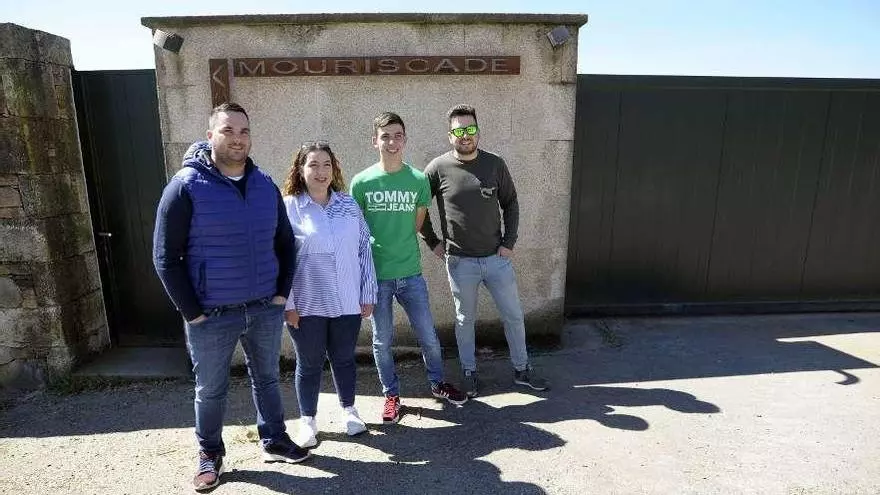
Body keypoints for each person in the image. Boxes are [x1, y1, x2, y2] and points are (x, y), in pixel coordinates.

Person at [152, 103, 309, 493]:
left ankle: (274, 438)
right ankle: (210, 453)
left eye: (243, 131)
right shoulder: (185, 187)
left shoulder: (264, 185)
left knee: (268, 378)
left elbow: (286, 244)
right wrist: (192, 313)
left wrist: (280, 295)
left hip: (263, 309)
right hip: (211, 314)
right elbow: (165, 258)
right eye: (227, 130)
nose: (237, 138)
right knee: (210, 389)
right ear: (210, 136)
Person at [419, 104, 549, 398]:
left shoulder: (495, 164)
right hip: (460, 262)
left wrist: (509, 242)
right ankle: (469, 372)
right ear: (450, 135)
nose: (465, 135)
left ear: (478, 131)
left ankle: (522, 369)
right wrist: (433, 242)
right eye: (459, 131)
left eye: (471, 129)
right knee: (465, 321)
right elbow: (420, 207)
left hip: (496, 260)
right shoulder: (437, 168)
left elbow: (511, 202)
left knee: (513, 316)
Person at [350, 111, 468, 424]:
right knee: (382, 341)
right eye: (385, 136)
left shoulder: (417, 181)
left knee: (428, 335)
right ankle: (391, 396)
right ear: (375, 141)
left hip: (410, 274)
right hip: (377, 277)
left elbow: (417, 224)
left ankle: (438, 383)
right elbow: (357, 230)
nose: (392, 142)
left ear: (405, 140)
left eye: (397, 135)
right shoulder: (361, 183)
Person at [280, 141, 377, 447]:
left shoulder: (348, 205)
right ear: (300, 170)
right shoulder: (289, 207)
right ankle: (307, 421)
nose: (321, 172)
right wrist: (287, 304)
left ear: (334, 169)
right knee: (309, 363)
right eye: (313, 165)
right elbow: (279, 258)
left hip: (348, 300)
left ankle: (350, 411)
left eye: (326, 165)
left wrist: (368, 292)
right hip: (306, 303)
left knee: (344, 358)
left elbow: (364, 249)